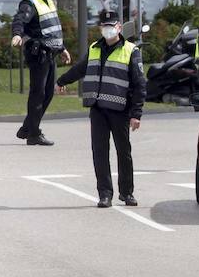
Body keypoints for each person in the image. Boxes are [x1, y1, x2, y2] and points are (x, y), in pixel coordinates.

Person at [56, 11, 145, 208]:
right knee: (100, 152)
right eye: (104, 26)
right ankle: (105, 194)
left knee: (124, 152)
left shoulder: (131, 50)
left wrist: (136, 114)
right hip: (97, 109)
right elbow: (81, 68)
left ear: (119, 27)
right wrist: (62, 81)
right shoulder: (95, 48)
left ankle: (127, 192)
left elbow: (139, 84)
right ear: (100, 28)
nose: (108, 29)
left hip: (120, 109)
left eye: (111, 25)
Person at [10, 0, 71, 146]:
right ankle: (33, 134)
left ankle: (27, 128)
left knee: (48, 93)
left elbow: (52, 28)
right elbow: (20, 20)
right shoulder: (29, 1)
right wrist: (17, 34)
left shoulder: (48, 1)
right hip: (38, 54)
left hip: (50, 53)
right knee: (38, 94)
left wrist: (62, 49)